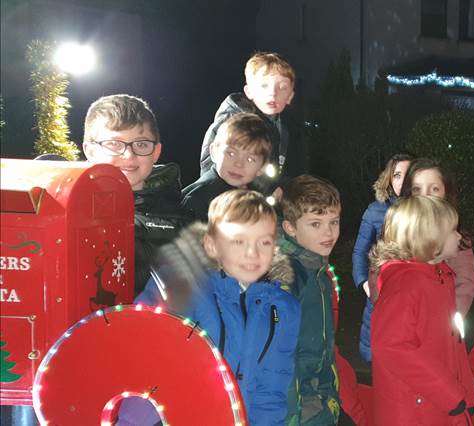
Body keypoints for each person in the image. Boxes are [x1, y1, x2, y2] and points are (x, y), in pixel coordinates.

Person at [134, 189, 301, 424]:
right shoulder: (179, 287)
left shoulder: (282, 309)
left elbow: (271, 388)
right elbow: (141, 362)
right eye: (238, 241)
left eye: (264, 241)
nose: (252, 253)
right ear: (211, 245)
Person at [368, 196, 474, 425]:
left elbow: (451, 346)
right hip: (418, 410)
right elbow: (391, 347)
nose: (459, 236)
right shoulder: (405, 286)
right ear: (430, 238)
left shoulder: (438, 276)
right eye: (452, 231)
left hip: (441, 404)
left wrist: (465, 395)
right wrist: (450, 394)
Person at [81, 94, 191, 295]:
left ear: (156, 152)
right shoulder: (68, 213)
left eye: (141, 144)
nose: (129, 156)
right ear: (90, 150)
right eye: (114, 144)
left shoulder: (182, 221)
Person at [278, 175, 341, 425]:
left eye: (334, 221)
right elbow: (281, 359)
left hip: (320, 402)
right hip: (300, 411)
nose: (329, 233)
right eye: (316, 224)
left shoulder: (318, 273)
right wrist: (298, 414)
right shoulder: (286, 279)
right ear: (290, 227)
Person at [199, 52, 295, 192]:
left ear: (290, 96)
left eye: (282, 87)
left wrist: (277, 188)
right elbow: (210, 164)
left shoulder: (281, 129)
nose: (273, 93)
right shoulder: (234, 119)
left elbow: (272, 170)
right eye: (264, 85)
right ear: (249, 91)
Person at [352, 152, 414, 363]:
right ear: (389, 178)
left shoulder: (424, 210)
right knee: (378, 360)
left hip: (413, 296)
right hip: (381, 292)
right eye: (397, 175)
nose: (402, 180)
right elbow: (360, 251)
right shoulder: (375, 210)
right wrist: (364, 284)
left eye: (408, 174)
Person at [400, 158, 474, 316]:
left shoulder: (458, 236)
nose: (426, 196)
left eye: (434, 188)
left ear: (446, 192)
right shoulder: (398, 230)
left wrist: (444, 320)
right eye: (417, 189)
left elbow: (465, 284)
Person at [182, 113, 272, 221]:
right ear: (214, 152)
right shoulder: (197, 200)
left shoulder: (254, 195)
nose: (238, 164)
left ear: (262, 167)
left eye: (250, 159)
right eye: (231, 153)